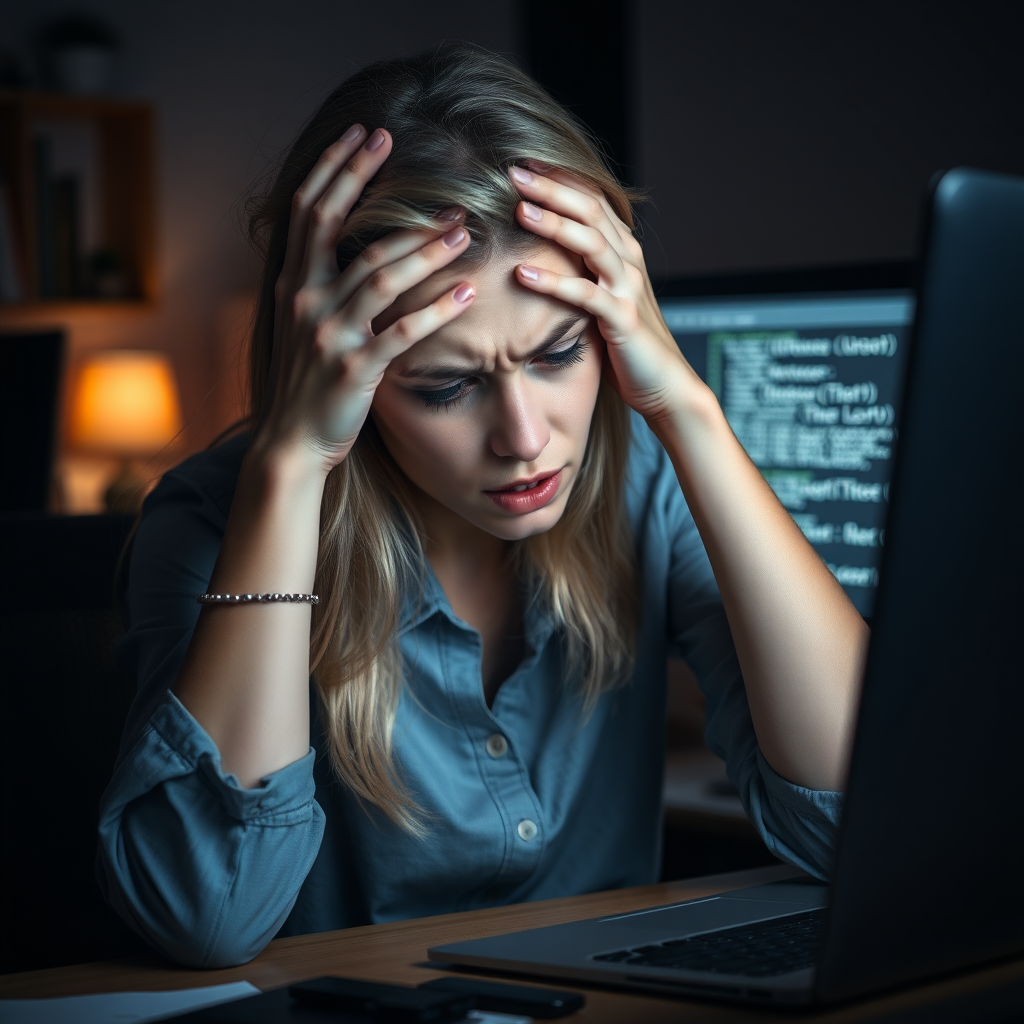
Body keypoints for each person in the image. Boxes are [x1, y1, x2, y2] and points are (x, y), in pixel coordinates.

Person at [97, 43, 868, 968]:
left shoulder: (641, 484)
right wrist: (294, 462)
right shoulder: (217, 523)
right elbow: (204, 915)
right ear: (343, 370)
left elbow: (861, 826)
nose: (525, 438)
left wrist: (687, 410)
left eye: (558, 355)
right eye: (444, 386)